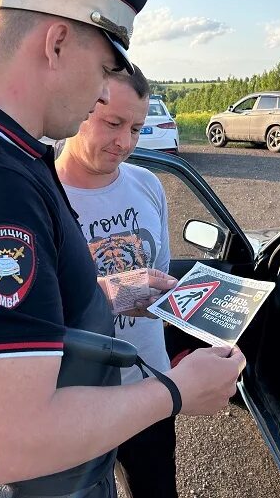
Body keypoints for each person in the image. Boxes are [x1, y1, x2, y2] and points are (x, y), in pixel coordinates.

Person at [0, 0, 245, 497]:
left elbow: (22, 319)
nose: (103, 92)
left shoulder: (4, 154)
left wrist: (111, 291)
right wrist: (176, 391)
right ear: (55, 43)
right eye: (105, 70)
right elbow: (12, 444)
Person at [55, 65, 176, 497]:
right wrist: (122, 293)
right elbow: (37, 310)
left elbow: (159, 272)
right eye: (113, 123)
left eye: (138, 128)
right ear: (81, 108)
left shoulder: (147, 185)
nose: (125, 142)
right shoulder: (44, 197)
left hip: (148, 388)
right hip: (75, 400)